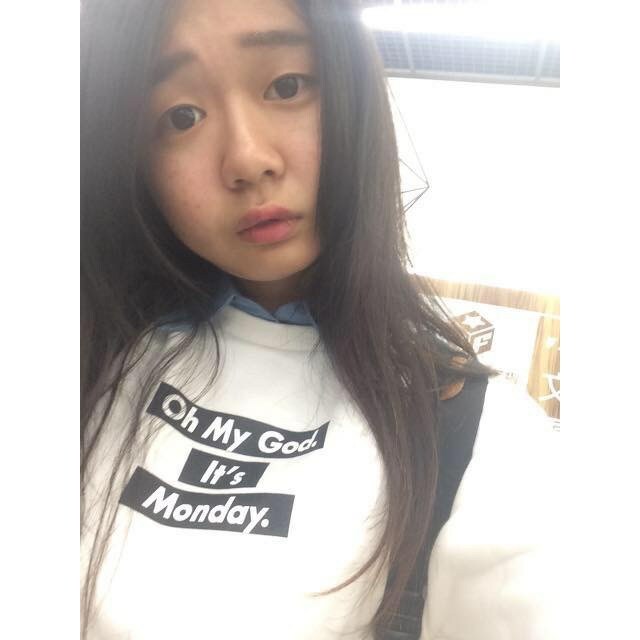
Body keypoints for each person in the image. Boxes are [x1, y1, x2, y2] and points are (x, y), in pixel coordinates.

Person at [80, 1, 560, 639]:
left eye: (286, 85)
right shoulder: (92, 354)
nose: (248, 159)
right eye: (181, 116)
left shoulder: (476, 431)